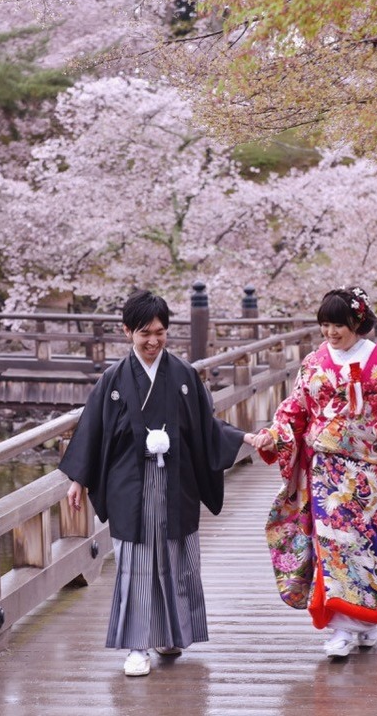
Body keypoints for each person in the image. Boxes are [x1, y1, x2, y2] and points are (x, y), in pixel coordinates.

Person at [60, 290, 261, 676]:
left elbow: (206, 426)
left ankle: (172, 634)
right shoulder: (113, 379)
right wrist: (78, 480)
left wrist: (242, 438)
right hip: (129, 483)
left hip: (175, 482)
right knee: (135, 563)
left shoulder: (183, 375)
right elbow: (93, 431)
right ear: (127, 332)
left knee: (176, 558)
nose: (153, 341)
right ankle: (137, 646)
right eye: (144, 333)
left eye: (160, 332)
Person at [251, 285, 377, 658]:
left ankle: (367, 621)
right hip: (327, 471)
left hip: (373, 474)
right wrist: (275, 434)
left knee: (373, 550)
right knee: (333, 547)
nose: (331, 333)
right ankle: (339, 629)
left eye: (338, 325)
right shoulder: (314, 364)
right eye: (325, 325)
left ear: (358, 321)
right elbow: (295, 409)